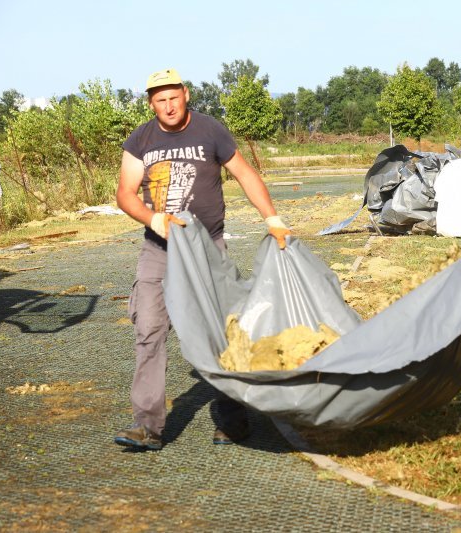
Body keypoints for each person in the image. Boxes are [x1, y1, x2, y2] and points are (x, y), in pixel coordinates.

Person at [114, 68, 291, 451]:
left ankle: (233, 420)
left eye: (173, 97)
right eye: (159, 100)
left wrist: (272, 218)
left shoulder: (210, 130)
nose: (168, 105)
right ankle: (147, 426)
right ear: (151, 103)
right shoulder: (140, 140)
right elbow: (125, 193)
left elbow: (244, 174)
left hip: (207, 248)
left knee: (218, 331)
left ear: (185, 93)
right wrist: (153, 218)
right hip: (158, 249)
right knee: (148, 331)